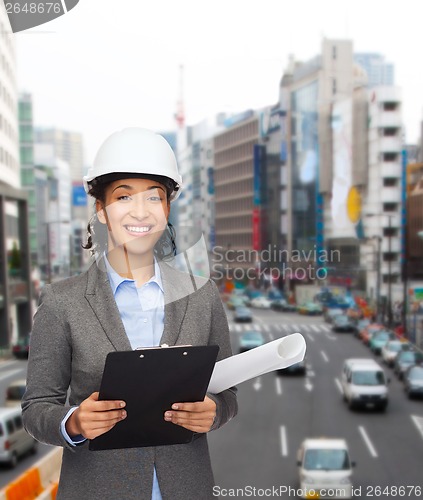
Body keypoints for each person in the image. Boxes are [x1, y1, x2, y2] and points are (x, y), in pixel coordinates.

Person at [22, 128, 238, 500]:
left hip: (187, 487)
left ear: (167, 209)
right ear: (102, 211)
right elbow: (37, 407)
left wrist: (215, 411)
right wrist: (74, 422)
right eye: (123, 197)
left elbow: (228, 392)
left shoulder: (202, 296)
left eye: (154, 197)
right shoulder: (62, 302)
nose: (140, 212)